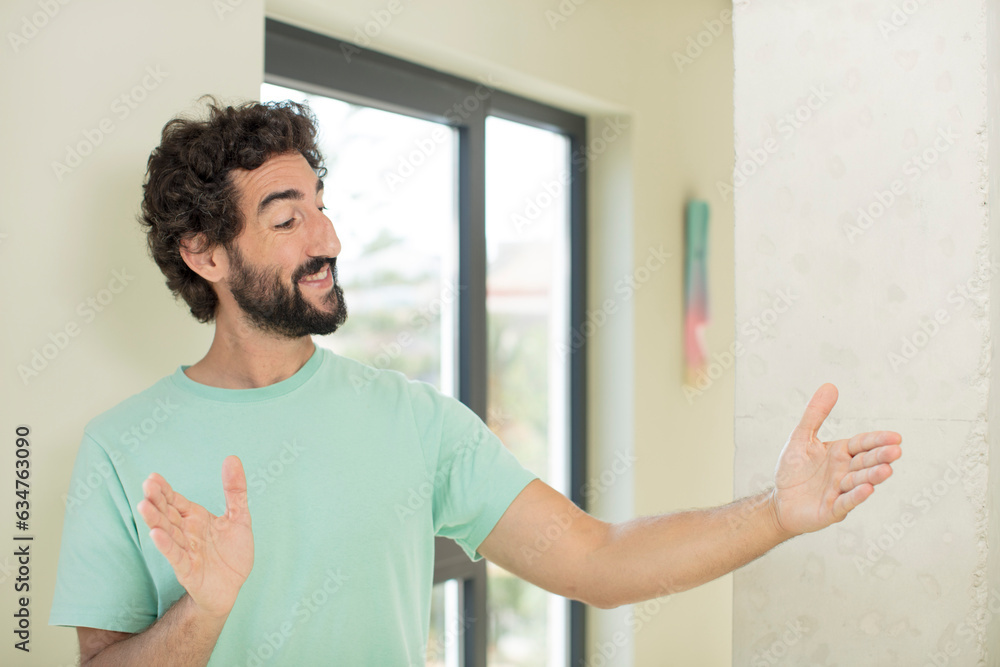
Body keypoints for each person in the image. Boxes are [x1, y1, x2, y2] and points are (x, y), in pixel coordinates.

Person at [49, 98, 903, 666]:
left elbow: (596, 560)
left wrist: (776, 514)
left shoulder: (412, 420)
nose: (330, 236)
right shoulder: (123, 447)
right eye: (287, 217)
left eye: (321, 202)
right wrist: (205, 612)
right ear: (205, 254)